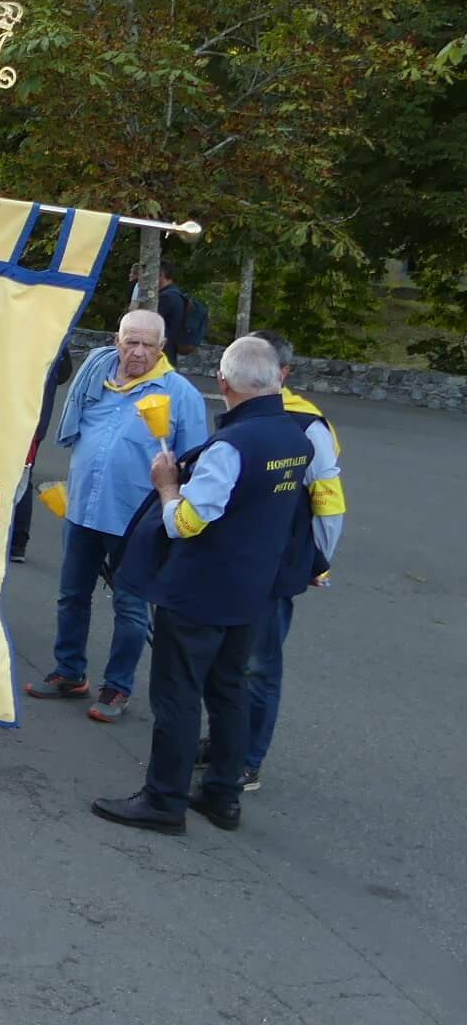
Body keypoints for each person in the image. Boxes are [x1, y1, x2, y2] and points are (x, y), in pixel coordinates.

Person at [93, 338, 320, 834]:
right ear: (277, 379)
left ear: (223, 383)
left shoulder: (231, 446)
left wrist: (167, 486)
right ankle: (223, 795)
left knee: (177, 696)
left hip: (199, 592)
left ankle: (163, 801)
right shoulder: (297, 437)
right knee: (229, 691)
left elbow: (188, 523)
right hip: (251, 589)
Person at [27, 311, 209, 723]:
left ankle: (118, 687)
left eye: (148, 345)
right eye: (131, 343)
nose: (138, 353)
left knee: (130, 607)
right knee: (71, 595)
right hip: (84, 508)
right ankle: (69, 672)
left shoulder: (180, 395)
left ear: (162, 348)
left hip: (137, 522)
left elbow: (196, 465)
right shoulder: (96, 376)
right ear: (117, 340)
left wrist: (176, 513)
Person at [228, 328, 347, 790]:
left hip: (276, 566)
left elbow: (328, 501)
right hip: (237, 562)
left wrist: (320, 560)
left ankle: (248, 759)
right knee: (228, 662)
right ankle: (224, 742)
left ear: (282, 373)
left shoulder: (308, 426)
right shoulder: (248, 409)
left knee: (259, 664)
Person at [8, 344, 75, 561]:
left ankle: (16, 541)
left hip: (24, 418)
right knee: (22, 475)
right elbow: (64, 373)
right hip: (35, 421)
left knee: (20, 476)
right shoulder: (57, 334)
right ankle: (16, 543)